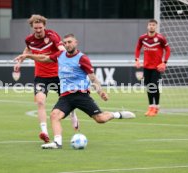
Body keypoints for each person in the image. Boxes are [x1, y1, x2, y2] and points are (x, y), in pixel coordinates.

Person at [15, 34, 136, 149]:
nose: (67, 45)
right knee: (54, 115)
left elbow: (93, 78)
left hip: (81, 95)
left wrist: (101, 92)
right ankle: (57, 143)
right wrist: (28, 56)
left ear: (75, 43)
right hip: (66, 97)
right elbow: (45, 58)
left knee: (100, 119)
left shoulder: (82, 58)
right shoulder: (60, 55)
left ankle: (117, 114)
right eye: (65, 43)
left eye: (70, 42)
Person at [13, 14, 79, 143]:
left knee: (70, 100)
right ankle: (44, 132)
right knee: (40, 102)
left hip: (58, 75)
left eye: (40, 28)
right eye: (35, 28)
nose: (38, 30)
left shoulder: (52, 36)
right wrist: (20, 60)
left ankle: (73, 114)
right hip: (41, 77)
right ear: (32, 27)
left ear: (44, 26)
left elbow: (62, 51)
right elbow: (28, 49)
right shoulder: (29, 40)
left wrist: (46, 56)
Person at [135, 19, 171, 117]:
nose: (151, 26)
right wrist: (137, 60)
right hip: (146, 66)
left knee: (154, 85)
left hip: (157, 67)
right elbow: (138, 48)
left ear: (156, 27)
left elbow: (168, 50)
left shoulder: (160, 38)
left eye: (153, 25)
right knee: (149, 86)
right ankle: (151, 106)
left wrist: (164, 62)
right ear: (147, 26)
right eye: (150, 25)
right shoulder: (142, 38)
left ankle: (156, 106)